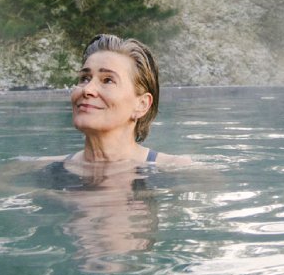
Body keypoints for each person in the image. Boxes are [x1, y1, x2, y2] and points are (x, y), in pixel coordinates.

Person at [37, 33, 186, 182]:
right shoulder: (42, 168)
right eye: (85, 78)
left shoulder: (175, 169)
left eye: (107, 80)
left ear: (142, 105)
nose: (87, 89)